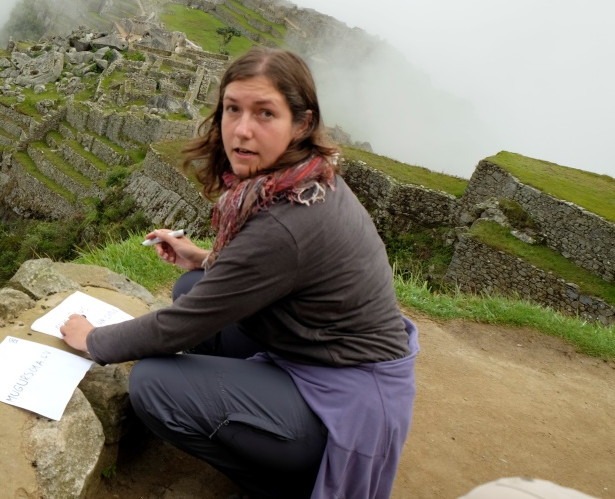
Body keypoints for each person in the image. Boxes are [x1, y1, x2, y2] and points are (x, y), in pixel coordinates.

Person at [60, 47, 419, 499]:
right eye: (233, 109)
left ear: (301, 123)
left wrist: (94, 340)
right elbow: (269, 271)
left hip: (346, 397)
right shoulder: (305, 179)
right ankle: (256, 420)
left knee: (153, 385)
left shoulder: (290, 221)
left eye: (265, 113)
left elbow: (184, 325)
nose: (242, 130)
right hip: (321, 350)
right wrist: (202, 258)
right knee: (193, 283)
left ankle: (280, 487)